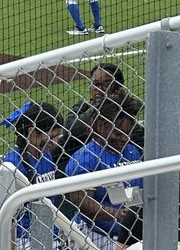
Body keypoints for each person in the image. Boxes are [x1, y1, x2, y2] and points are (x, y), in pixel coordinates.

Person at [64, 96, 144, 250]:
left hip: (133, 236)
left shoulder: (133, 151)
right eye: (118, 133)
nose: (124, 139)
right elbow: (82, 203)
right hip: (98, 238)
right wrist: (119, 214)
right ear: (100, 126)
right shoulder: (86, 159)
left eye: (128, 133)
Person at [0, 101, 63, 249]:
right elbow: (8, 216)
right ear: (32, 132)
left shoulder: (46, 155)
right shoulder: (13, 164)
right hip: (25, 239)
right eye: (51, 137)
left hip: (48, 232)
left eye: (58, 136)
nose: (56, 142)